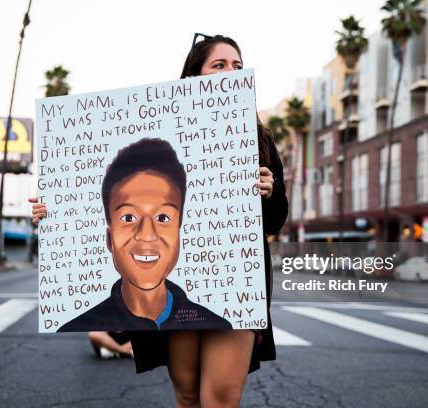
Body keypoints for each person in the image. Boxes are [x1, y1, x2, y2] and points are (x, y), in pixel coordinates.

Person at [30, 33, 288, 407]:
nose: (230, 72)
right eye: (219, 65)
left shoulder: (257, 137)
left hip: (234, 282)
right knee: (186, 394)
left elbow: (275, 221)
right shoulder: (160, 129)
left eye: (237, 65)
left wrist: (270, 191)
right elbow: (106, 194)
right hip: (177, 281)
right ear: (193, 76)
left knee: (220, 398)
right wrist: (55, 213)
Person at [56, 138, 231, 332]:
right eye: (129, 217)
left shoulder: (216, 326)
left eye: (163, 217)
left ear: (179, 232)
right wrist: (49, 216)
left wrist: (266, 193)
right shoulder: (78, 326)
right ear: (109, 239)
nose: (147, 235)